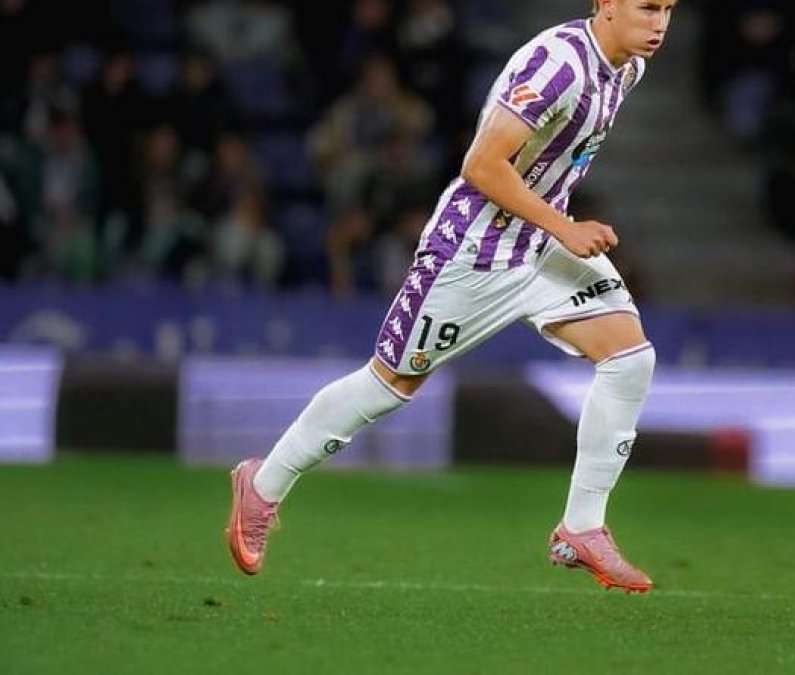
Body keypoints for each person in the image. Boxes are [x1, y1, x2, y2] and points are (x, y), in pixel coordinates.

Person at [226, 0, 676, 594]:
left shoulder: (626, 68)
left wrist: (555, 226)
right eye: (647, 7)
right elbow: (481, 165)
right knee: (388, 385)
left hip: (538, 246)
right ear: (607, 5)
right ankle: (262, 486)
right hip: (472, 252)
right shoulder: (557, 66)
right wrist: (565, 225)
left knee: (630, 357)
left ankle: (582, 528)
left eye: (669, 9)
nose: (660, 23)